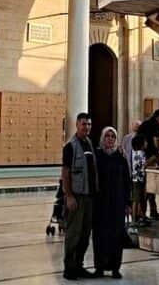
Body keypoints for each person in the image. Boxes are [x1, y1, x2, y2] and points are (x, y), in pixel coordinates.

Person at [61, 112, 98, 280]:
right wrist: (69, 196)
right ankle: (69, 268)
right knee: (73, 234)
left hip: (89, 197)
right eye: (84, 124)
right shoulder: (71, 146)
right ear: (77, 125)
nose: (87, 127)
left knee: (84, 234)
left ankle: (79, 265)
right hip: (77, 197)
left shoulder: (89, 144)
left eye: (89, 124)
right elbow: (66, 173)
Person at [92, 126, 131, 278]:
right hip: (100, 203)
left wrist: (128, 203)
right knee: (100, 235)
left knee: (116, 235)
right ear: (103, 138)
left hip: (117, 203)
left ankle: (115, 267)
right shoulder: (98, 155)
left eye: (113, 136)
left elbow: (126, 181)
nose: (110, 139)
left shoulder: (120, 157)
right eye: (107, 136)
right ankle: (99, 267)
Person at [137, 109, 159, 219]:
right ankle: (142, 213)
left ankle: (150, 211)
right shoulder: (155, 126)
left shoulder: (145, 123)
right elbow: (157, 143)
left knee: (146, 187)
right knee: (149, 187)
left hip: (140, 157)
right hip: (150, 158)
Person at [129, 134, 149, 225]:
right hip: (139, 179)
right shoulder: (141, 153)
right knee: (136, 199)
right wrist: (152, 159)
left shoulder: (134, 152)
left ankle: (139, 217)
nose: (146, 143)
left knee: (139, 199)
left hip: (135, 178)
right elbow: (144, 165)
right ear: (141, 144)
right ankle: (134, 219)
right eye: (145, 142)